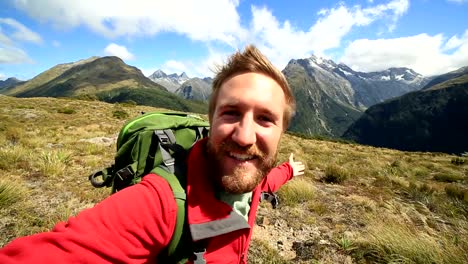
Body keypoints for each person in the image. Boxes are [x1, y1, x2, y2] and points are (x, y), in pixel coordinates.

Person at [0, 45, 305, 263]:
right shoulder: (159, 203)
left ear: (282, 132)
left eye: (265, 118)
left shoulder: (249, 177)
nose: (244, 136)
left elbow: (262, 183)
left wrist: (288, 170)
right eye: (230, 113)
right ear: (209, 121)